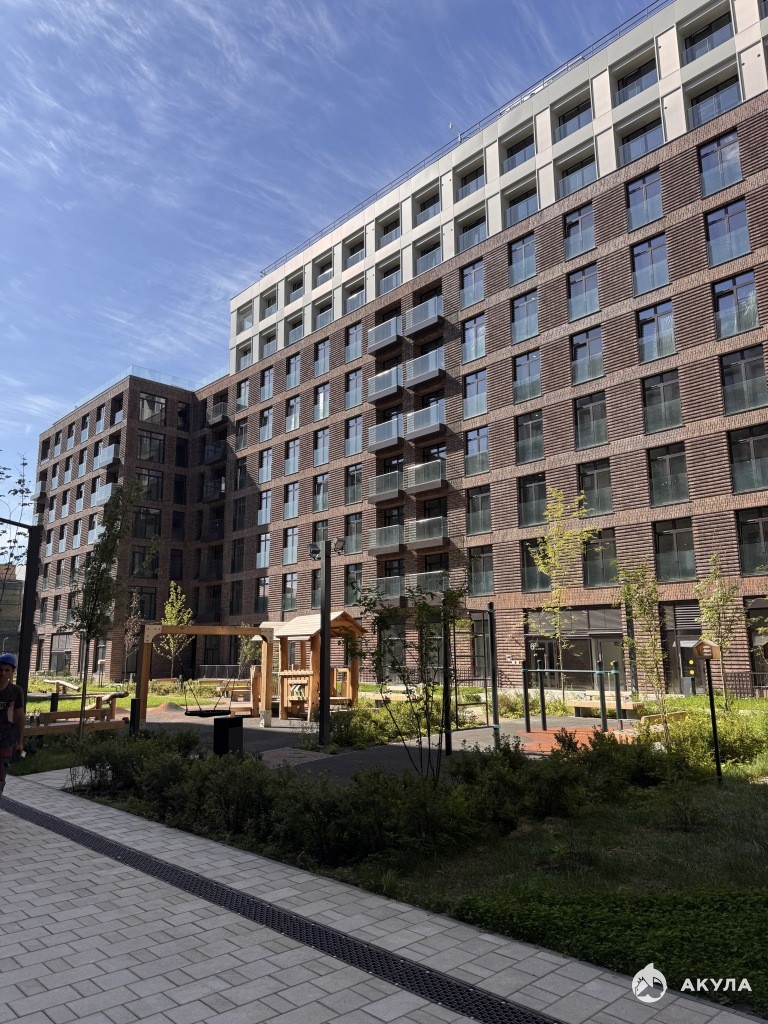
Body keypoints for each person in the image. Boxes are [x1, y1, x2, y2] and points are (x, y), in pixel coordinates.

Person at [0, 653, 25, 796]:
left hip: (6, 738)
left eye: (7, 670)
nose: (3, 673)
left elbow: (20, 716)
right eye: (0, 669)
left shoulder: (16, 691)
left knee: (2, 771)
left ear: (12, 672)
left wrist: (20, 741)